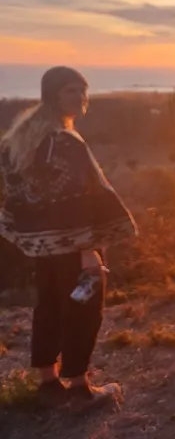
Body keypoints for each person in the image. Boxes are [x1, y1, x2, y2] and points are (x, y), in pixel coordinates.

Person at [0, 66, 138, 410]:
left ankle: (48, 383)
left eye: (82, 91)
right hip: (74, 244)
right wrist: (88, 249)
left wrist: (28, 234)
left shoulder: (20, 139)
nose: (79, 98)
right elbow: (81, 197)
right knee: (83, 308)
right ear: (52, 95)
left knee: (48, 305)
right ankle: (79, 388)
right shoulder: (65, 142)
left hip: (40, 245)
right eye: (69, 91)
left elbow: (17, 193)